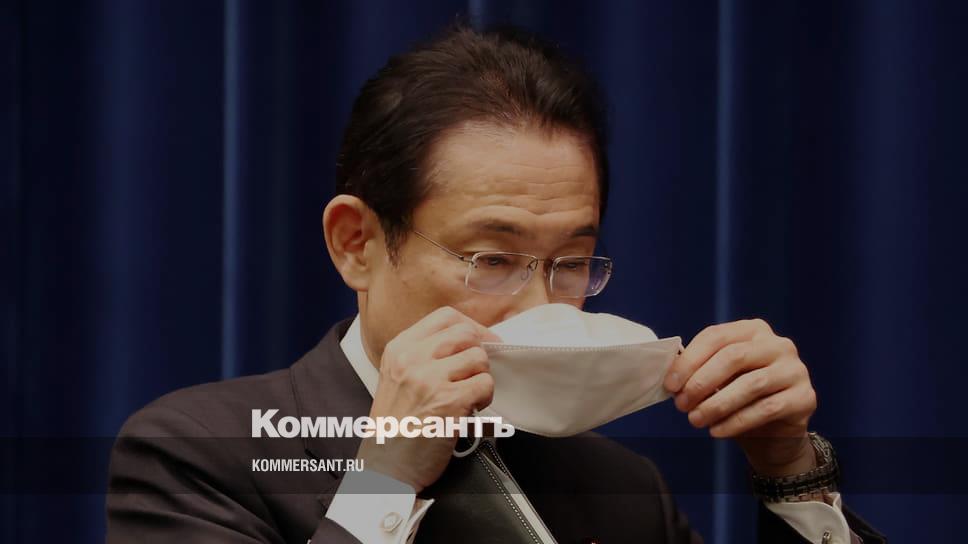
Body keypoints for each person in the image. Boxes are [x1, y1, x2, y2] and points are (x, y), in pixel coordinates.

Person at [107, 24, 885, 543]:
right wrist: (385, 479)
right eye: (492, 259)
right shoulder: (199, 453)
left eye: (571, 261)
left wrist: (789, 470)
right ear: (357, 244)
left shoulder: (617, 484)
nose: (539, 306)